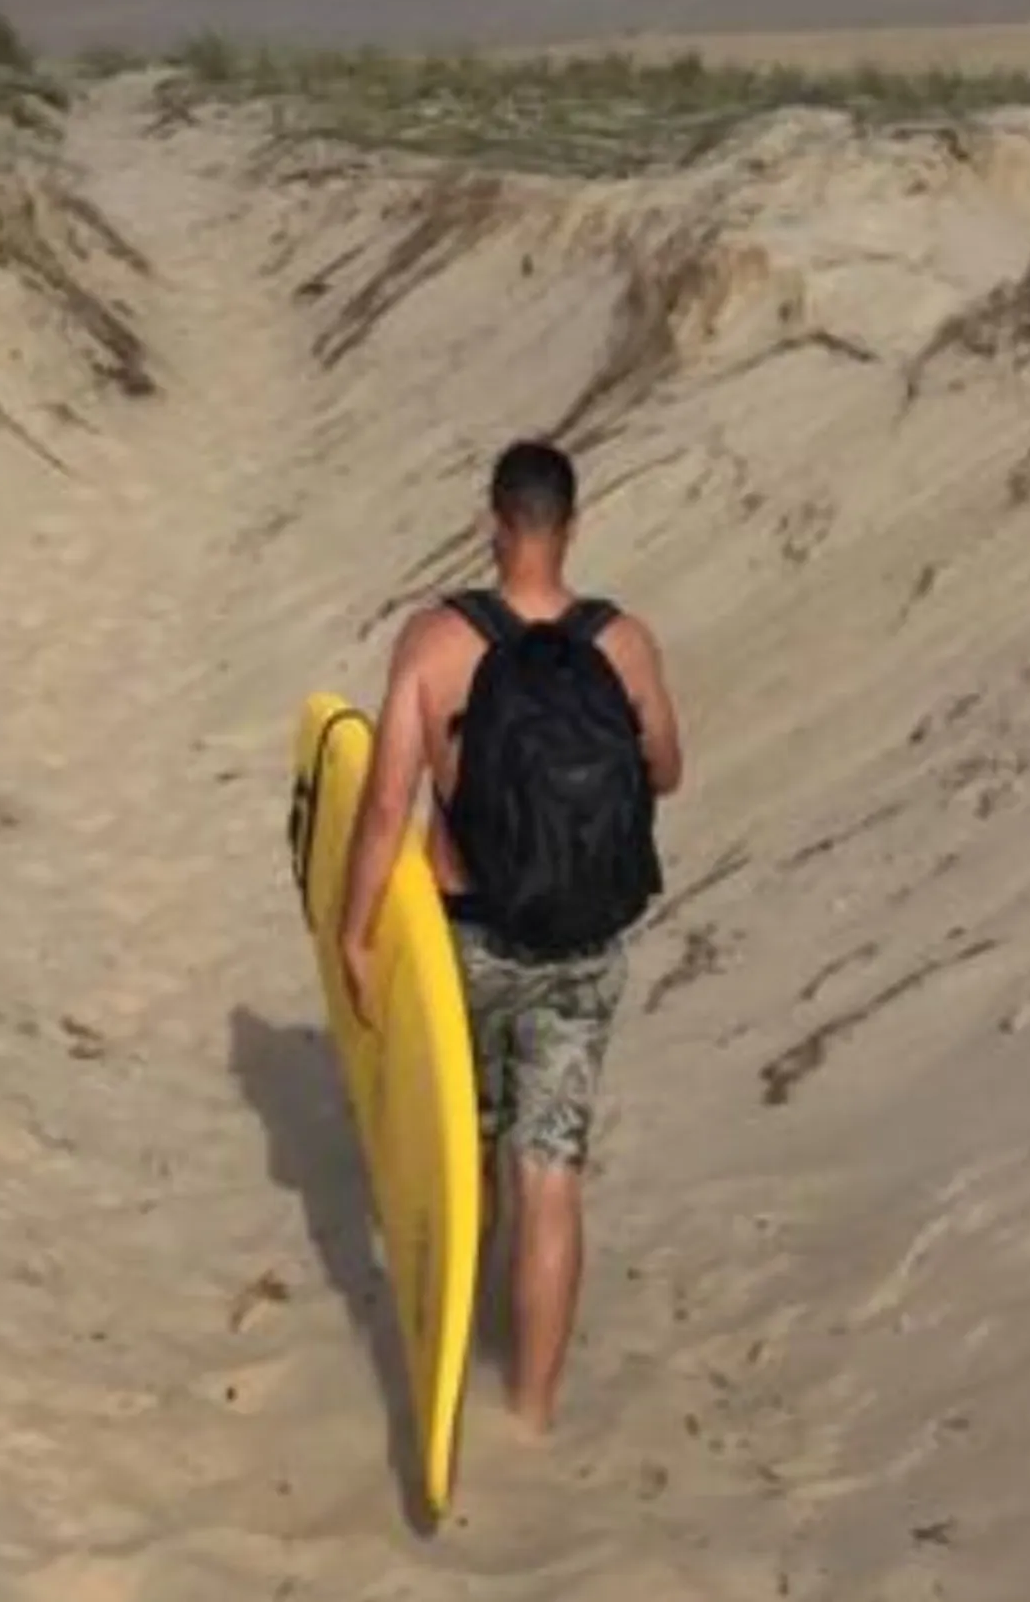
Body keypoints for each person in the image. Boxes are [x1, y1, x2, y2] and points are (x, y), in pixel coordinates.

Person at [337, 438, 683, 1436]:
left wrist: (358, 932)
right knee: (551, 1170)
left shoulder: (436, 642)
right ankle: (531, 1413)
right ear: (571, 527)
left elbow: (386, 806)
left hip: (468, 945)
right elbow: (666, 770)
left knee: (467, 1147)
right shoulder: (624, 643)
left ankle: (450, 1338)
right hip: (582, 951)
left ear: (495, 524)